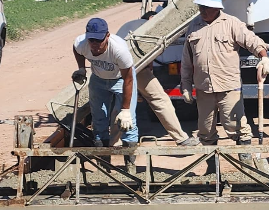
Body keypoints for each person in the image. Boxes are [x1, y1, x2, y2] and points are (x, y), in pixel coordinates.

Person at [180, 0, 269, 169]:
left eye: (206, 7)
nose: (202, 11)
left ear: (217, 8)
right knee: (205, 131)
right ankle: (212, 170)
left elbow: (252, 41)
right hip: (204, 89)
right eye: (201, 7)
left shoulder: (231, 24)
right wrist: (185, 85)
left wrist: (263, 57)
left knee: (236, 127)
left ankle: (246, 167)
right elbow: (187, 59)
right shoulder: (194, 26)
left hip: (228, 88)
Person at [117, 12, 199, 146]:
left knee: (118, 104)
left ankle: (112, 143)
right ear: (151, 18)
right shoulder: (149, 27)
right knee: (160, 99)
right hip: (132, 68)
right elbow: (148, 52)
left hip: (115, 67)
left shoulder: (128, 25)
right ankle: (181, 138)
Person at [72, 18, 138, 171]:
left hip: (121, 79)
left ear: (107, 36)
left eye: (98, 40)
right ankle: (104, 165)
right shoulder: (82, 44)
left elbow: (128, 80)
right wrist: (81, 68)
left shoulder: (119, 50)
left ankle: (130, 165)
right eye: (92, 40)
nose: (94, 44)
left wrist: (126, 110)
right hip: (99, 79)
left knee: (128, 122)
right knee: (99, 120)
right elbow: (76, 49)